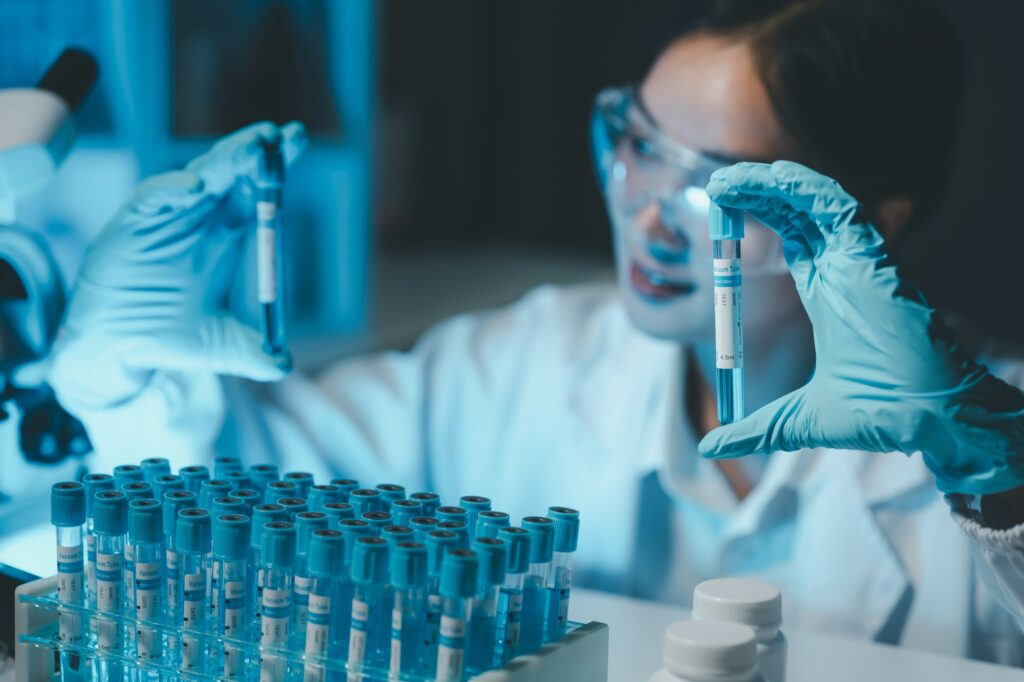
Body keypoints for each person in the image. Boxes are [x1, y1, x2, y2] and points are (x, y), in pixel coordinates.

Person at [47, 0, 1024, 665]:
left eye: (715, 187)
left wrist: (993, 476)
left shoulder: (982, 431)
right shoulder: (527, 358)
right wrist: (124, 370)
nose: (646, 211)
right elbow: (244, 489)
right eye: (637, 144)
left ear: (874, 216)